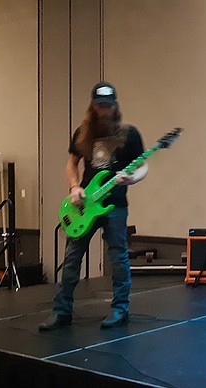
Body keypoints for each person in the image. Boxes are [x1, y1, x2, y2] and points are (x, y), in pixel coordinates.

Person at [39, 82, 148, 330]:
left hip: (115, 205)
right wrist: (74, 186)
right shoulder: (82, 133)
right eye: (100, 106)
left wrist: (132, 178)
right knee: (71, 259)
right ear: (92, 106)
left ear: (115, 107)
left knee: (118, 258)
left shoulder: (129, 134)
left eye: (108, 106)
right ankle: (61, 310)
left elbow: (143, 165)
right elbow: (71, 163)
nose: (104, 111)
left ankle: (120, 309)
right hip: (85, 205)